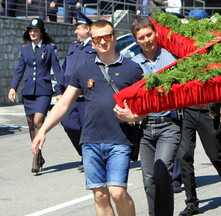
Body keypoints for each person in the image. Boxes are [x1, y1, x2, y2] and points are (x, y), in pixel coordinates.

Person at [32, 20, 143, 216]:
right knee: (100, 195)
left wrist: (134, 116)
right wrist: (42, 130)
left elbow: (145, 106)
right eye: (97, 38)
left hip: (120, 139)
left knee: (117, 192)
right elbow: (64, 103)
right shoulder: (84, 69)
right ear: (91, 42)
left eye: (107, 37)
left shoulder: (132, 69)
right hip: (90, 140)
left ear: (115, 37)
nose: (103, 42)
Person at [117, 17, 182, 216]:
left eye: (149, 35)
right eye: (141, 38)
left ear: (156, 33)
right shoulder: (133, 65)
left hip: (168, 126)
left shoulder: (170, 59)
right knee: (149, 179)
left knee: (162, 173)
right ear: (136, 41)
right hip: (144, 127)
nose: (146, 40)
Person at [8, 18, 63, 174]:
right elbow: (19, 70)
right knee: (31, 124)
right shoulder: (25, 49)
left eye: (35, 31)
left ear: (41, 32)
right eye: (30, 31)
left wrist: (59, 92)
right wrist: (13, 87)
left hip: (44, 91)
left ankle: (35, 157)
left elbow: (57, 70)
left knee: (39, 121)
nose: (32, 33)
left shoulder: (50, 49)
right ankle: (38, 154)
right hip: (28, 92)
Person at [177, 102, 221, 216]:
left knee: (215, 157)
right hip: (187, 111)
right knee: (184, 157)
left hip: (209, 112)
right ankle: (191, 202)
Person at [54, 12, 96, 172]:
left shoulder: (95, 46)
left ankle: (89, 157)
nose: (75, 32)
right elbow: (64, 70)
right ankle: (85, 153)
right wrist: (58, 89)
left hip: (86, 96)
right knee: (68, 124)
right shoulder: (73, 46)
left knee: (88, 128)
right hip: (69, 96)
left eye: (78, 28)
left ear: (86, 29)